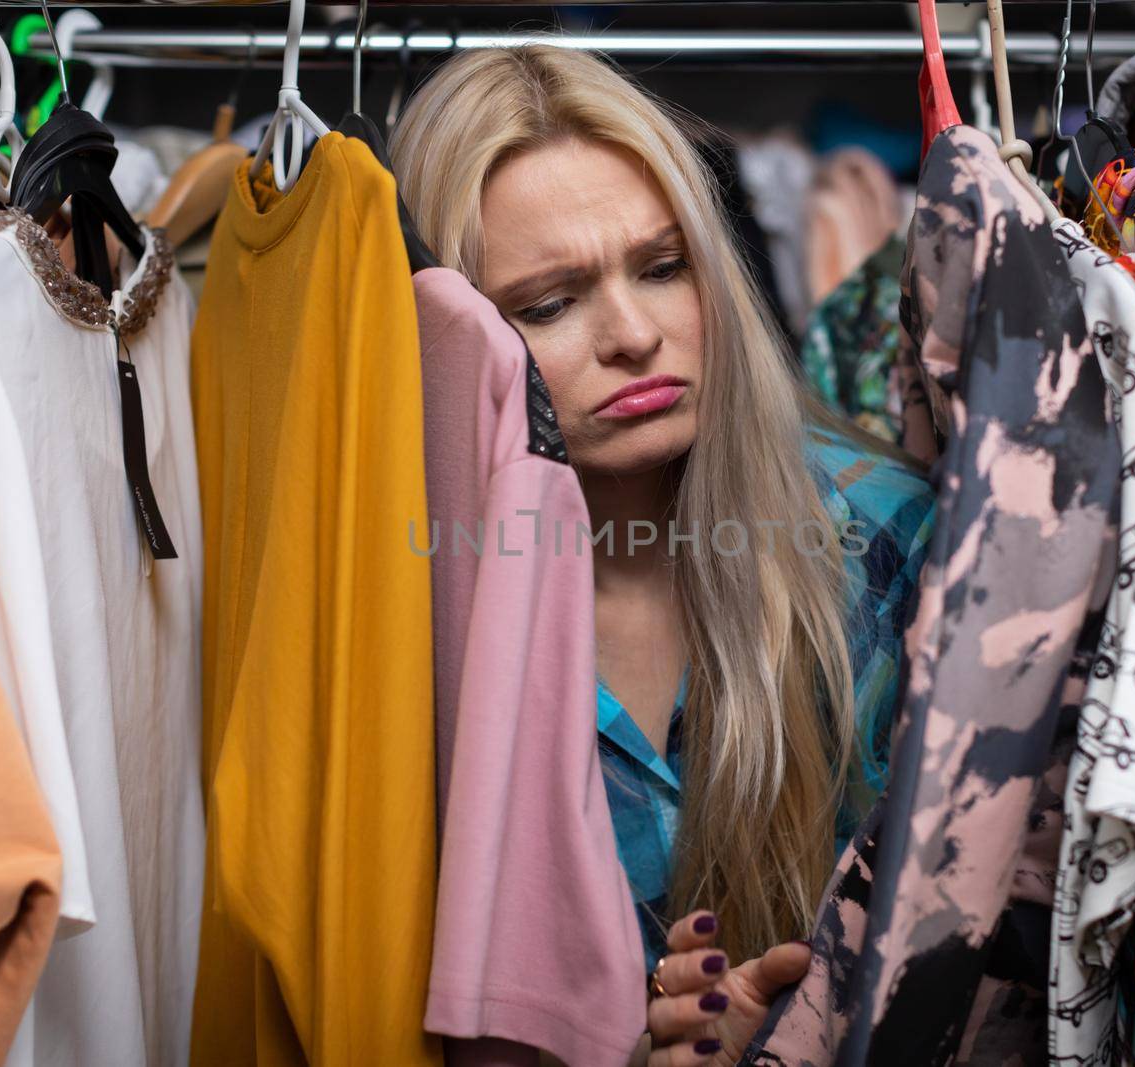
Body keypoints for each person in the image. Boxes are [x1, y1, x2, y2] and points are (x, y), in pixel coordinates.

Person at [390, 44, 935, 1066]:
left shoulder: (890, 546)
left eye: (661, 265)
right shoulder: (396, 602)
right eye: (549, 303)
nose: (634, 334)